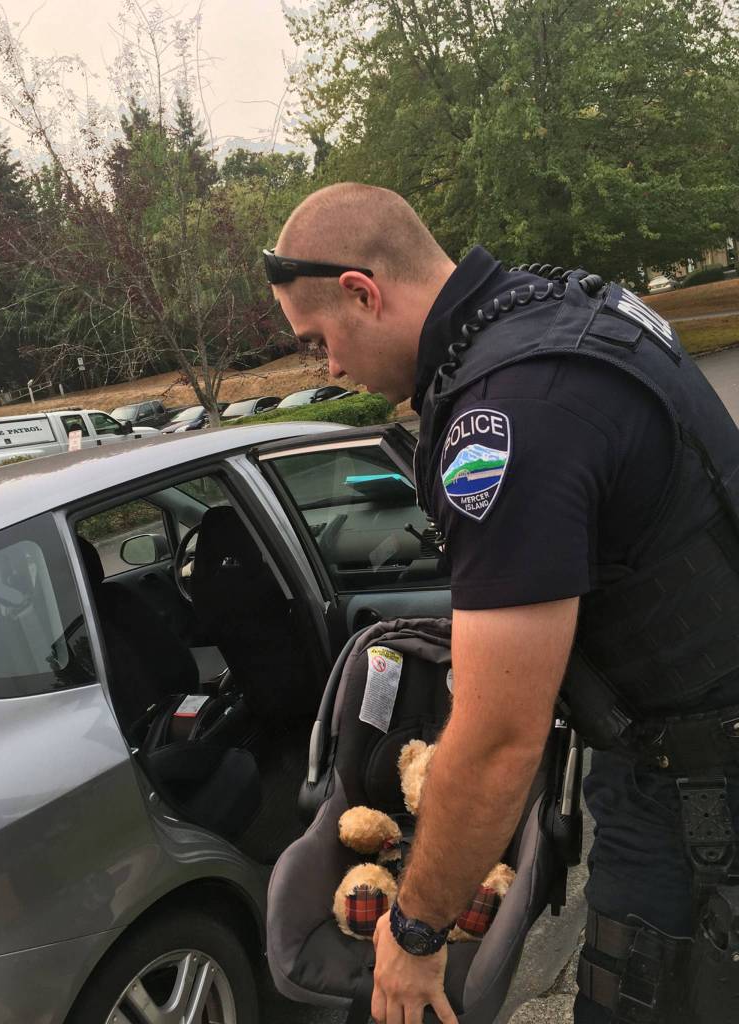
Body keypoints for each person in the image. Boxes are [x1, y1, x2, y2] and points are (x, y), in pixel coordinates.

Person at [264, 182, 739, 1024]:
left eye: (318, 340)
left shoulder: (505, 417)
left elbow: (494, 741)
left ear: (362, 293)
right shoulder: (566, 309)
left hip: (697, 793)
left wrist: (414, 935)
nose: (327, 368)